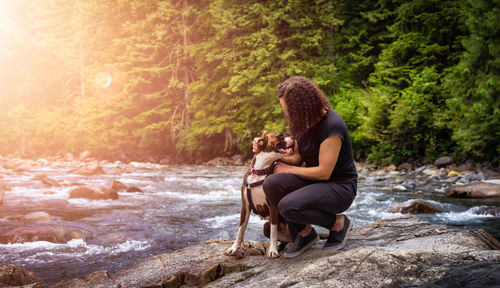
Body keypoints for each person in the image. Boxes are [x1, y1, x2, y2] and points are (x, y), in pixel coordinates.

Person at [253, 76, 357, 258]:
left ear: (303, 106)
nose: (287, 114)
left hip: (340, 187)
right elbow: (297, 158)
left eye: (289, 110)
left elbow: (324, 172)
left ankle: (338, 223)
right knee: (271, 184)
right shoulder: (303, 123)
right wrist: (264, 150)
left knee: (287, 206)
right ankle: (305, 234)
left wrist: (290, 170)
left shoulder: (332, 126)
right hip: (313, 182)